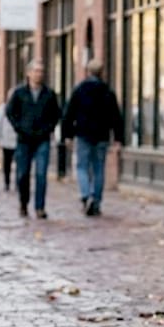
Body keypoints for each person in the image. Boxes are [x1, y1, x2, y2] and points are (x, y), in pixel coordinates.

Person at [62, 59, 123, 216]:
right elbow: (116, 116)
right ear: (102, 72)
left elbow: (69, 113)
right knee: (98, 169)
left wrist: (67, 135)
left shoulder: (80, 90)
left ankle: (85, 195)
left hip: (83, 134)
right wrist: (118, 138)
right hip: (102, 135)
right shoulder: (108, 92)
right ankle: (96, 201)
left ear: (88, 72)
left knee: (82, 166)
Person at [6, 60, 62, 219]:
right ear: (28, 73)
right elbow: (10, 112)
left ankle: (40, 207)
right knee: (23, 174)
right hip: (24, 139)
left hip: (42, 139)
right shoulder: (19, 93)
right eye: (36, 71)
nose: (39, 74)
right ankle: (23, 203)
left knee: (41, 174)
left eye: (41, 71)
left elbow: (56, 115)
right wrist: (19, 127)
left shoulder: (49, 94)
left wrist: (48, 128)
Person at [0, 100, 19, 192]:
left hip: (19, 140)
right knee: (7, 162)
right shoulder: (3, 108)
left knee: (21, 163)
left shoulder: (22, 106)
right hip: (6, 140)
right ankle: (7, 182)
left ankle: (19, 182)